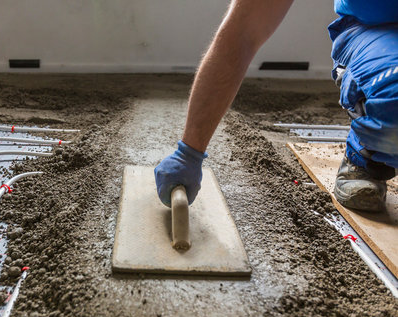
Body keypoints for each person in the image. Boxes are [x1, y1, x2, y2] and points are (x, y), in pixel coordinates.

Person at [155, 0, 398, 212]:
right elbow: (244, 30)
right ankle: (367, 158)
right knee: (392, 106)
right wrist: (189, 152)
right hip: (377, 34)